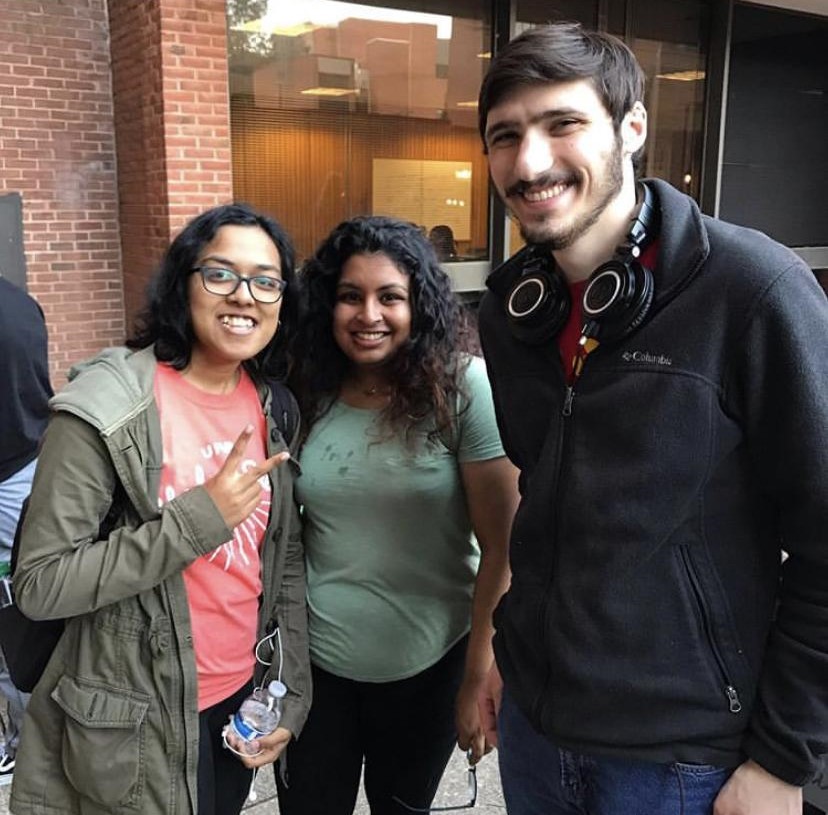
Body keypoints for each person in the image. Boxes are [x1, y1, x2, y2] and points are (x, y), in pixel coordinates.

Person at [475, 22, 828, 815]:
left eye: (562, 124)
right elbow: (548, 497)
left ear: (633, 127)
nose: (530, 162)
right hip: (537, 725)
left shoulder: (751, 290)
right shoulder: (512, 314)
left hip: (684, 761)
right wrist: (517, 646)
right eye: (506, 136)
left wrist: (782, 759)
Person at [8, 203, 311, 815]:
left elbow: (283, 566)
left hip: (236, 704)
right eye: (220, 274)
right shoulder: (108, 407)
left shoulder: (274, 407)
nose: (244, 296)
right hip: (133, 720)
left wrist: (290, 693)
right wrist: (198, 520)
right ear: (183, 282)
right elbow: (41, 585)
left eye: (266, 280)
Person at [276, 215, 519, 815]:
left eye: (390, 297)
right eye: (350, 297)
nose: (369, 315)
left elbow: (503, 547)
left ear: (419, 306)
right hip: (317, 668)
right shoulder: (303, 391)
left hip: (429, 668)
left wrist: (477, 677)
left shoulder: (464, 390)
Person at [0, 275, 53, 787]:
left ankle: (21, 744)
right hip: (27, 469)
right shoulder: (21, 301)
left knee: (13, 618)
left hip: (8, 478)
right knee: (18, 615)